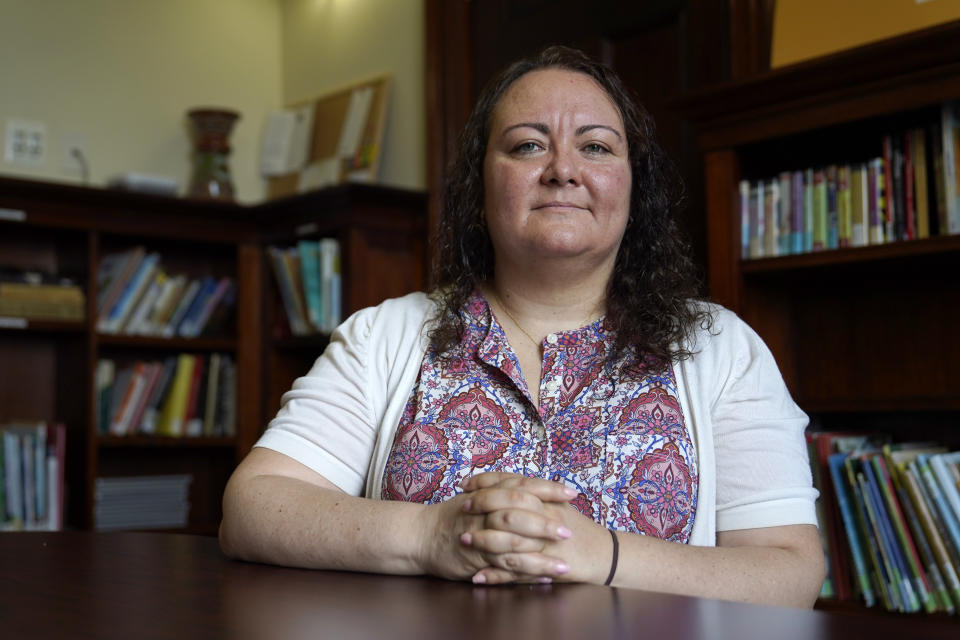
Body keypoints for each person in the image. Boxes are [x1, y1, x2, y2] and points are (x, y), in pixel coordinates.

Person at [219, 45, 825, 608]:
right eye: (527, 145)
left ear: (633, 189)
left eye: (596, 147)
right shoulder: (384, 337)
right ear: (479, 189)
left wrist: (600, 555)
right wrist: (431, 534)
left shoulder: (722, 348)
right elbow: (252, 509)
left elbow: (791, 573)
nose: (563, 170)